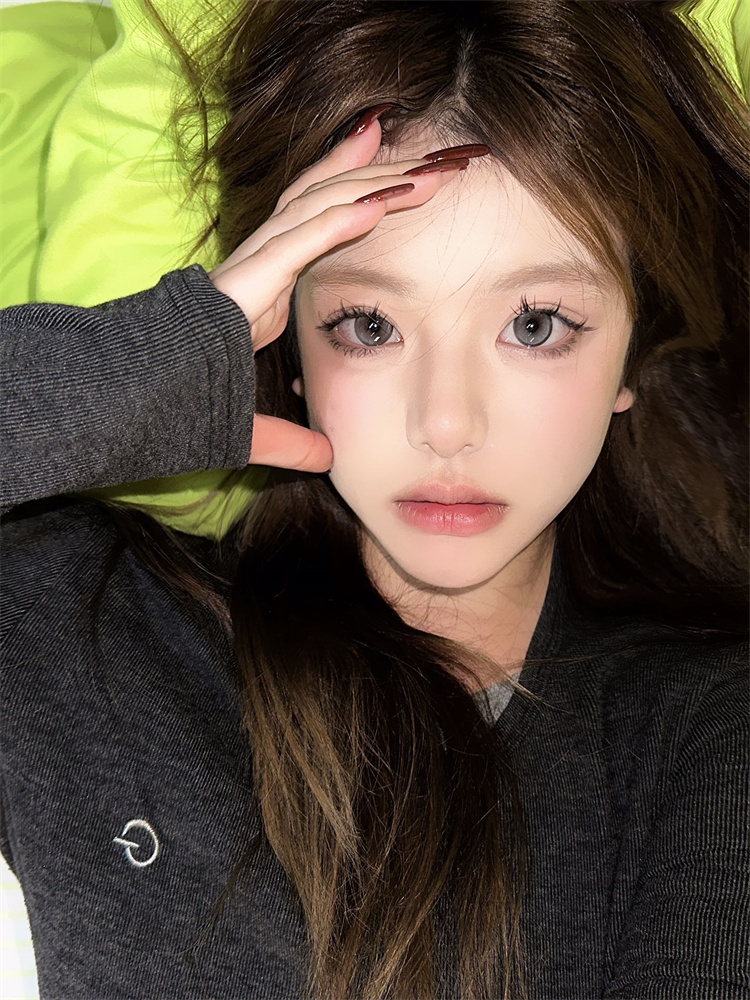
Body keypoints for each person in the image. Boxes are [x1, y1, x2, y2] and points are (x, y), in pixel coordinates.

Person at [1, 2, 748, 999]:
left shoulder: (709, 724)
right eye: (369, 324)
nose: (447, 423)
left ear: (630, 350)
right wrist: (146, 358)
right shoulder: (74, 616)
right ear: (286, 338)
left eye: (534, 324)